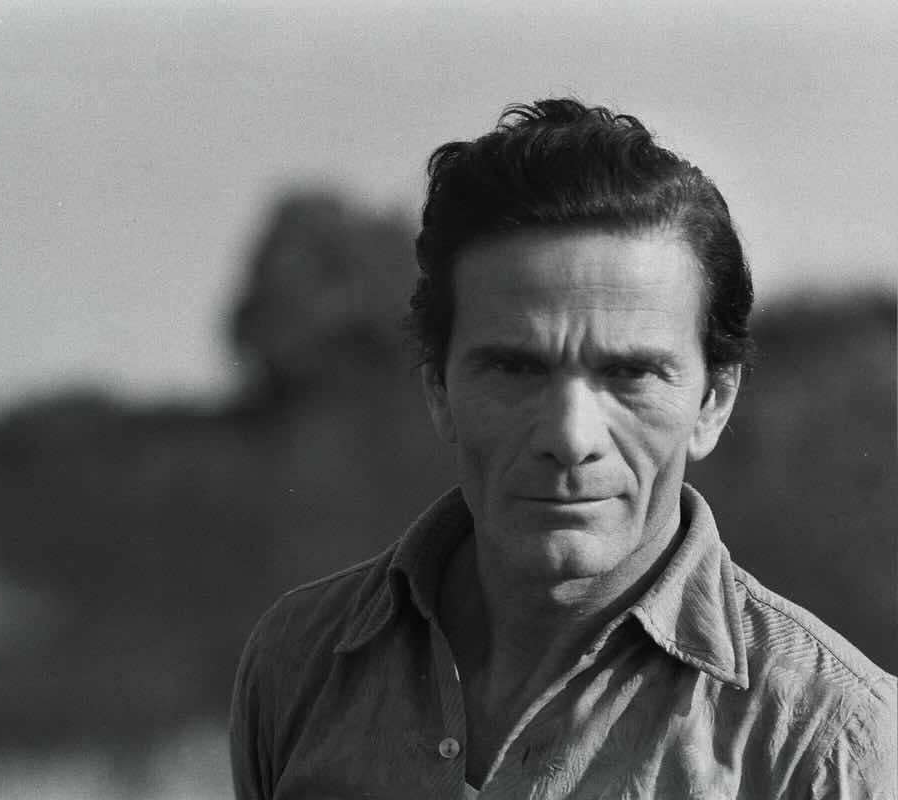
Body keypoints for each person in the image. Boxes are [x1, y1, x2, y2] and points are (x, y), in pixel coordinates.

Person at [228, 99, 897, 799]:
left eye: (630, 373)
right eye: (516, 368)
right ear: (438, 388)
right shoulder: (300, 662)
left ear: (714, 401)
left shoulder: (829, 742)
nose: (570, 437)